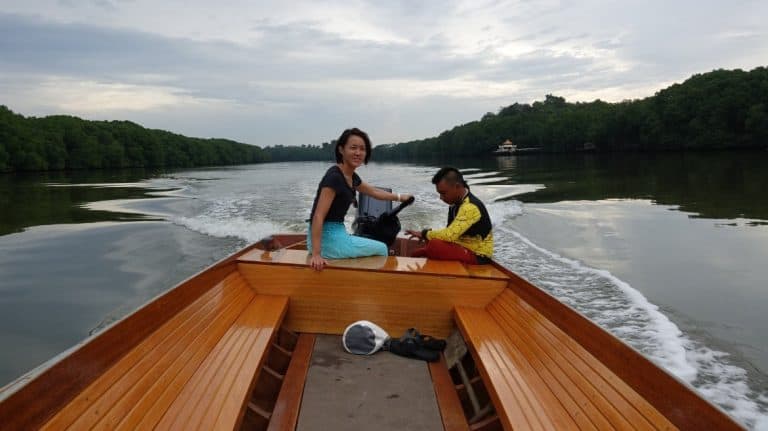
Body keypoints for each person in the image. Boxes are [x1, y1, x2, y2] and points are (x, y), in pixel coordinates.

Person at [308, 128, 413, 271]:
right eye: (353, 148)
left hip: (337, 232)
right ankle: (372, 287)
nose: (358, 153)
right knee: (382, 248)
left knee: (373, 246)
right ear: (341, 150)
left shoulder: (351, 176)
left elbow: (374, 192)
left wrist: (400, 197)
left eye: (362, 149)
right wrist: (316, 254)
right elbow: (318, 216)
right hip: (327, 238)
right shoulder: (334, 177)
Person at [406, 167, 493, 264]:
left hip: (478, 255)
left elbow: (449, 236)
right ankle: (427, 252)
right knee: (431, 242)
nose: (441, 198)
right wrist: (428, 236)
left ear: (457, 186)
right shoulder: (454, 205)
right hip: (463, 246)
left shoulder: (470, 207)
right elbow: (450, 233)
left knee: (434, 244)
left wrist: (424, 234)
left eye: (443, 193)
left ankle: (428, 252)